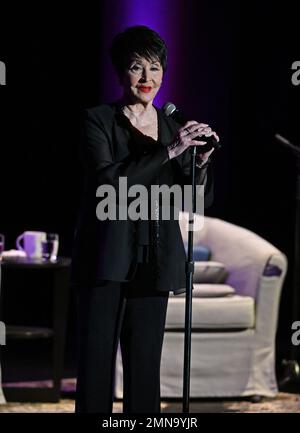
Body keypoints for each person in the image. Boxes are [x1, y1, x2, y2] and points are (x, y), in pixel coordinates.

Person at [71, 25, 219, 413]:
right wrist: (171, 151)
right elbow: (108, 182)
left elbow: (194, 200)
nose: (146, 78)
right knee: (96, 365)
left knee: (144, 367)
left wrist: (199, 166)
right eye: (136, 68)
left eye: (154, 68)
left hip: (155, 260)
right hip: (106, 257)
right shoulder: (98, 120)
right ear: (121, 73)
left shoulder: (173, 125)